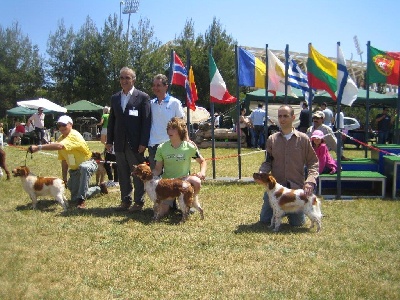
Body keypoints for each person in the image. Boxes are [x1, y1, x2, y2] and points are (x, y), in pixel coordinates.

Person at [27, 115, 108, 209]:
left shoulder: (74, 135)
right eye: (59, 125)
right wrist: (64, 178)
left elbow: (59, 146)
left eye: (63, 125)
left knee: (84, 168)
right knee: (74, 197)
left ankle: (81, 201)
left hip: (89, 163)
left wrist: (38, 147)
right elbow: (64, 160)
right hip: (75, 170)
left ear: (71, 125)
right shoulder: (60, 139)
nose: (61, 127)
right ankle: (99, 189)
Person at [258, 105, 319, 226]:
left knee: (297, 224)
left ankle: (290, 214)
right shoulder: (272, 139)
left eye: (285, 116)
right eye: (280, 116)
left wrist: (310, 181)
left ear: (293, 117)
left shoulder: (303, 139)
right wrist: (262, 173)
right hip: (276, 190)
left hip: (295, 192)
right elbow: (268, 161)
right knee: (264, 221)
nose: (282, 119)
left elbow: (313, 162)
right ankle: (279, 213)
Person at [106, 66, 151, 212]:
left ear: (133, 80)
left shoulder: (143, 97)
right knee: (123, 174)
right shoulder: (115, 98)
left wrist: (143, 142)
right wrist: (109, 141)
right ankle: (125, 200)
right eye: (122, 77)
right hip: (119, 143)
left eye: (127, 77)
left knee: (138, 174)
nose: (124, 80)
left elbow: (146, 122)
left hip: (136, 144)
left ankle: (138, 202)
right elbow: (112, 121)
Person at [152, 117, 207, 217]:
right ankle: (172, 203)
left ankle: (189, 202)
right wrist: (149, 177)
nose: (169, 131)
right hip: (168, 183)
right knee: (161, 213)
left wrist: (202, 172)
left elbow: (202, 161)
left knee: (197, 181)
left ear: (180, 131)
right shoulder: (161, 148)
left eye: (173, 128)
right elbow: (158, 169)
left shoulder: (189, 147)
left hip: (183, 180)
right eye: (168, 128)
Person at [148, 73, 185, 169]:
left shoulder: (175, 102)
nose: (156, 88)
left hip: (170, 144)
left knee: (172, 175)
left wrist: (186, 140)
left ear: (166, 87)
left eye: (158, 85)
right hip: (153, 144)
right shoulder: (150, 104)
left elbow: (182, 124)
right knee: (156, 178)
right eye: (154, 85)